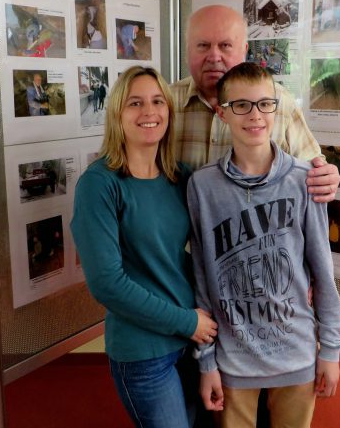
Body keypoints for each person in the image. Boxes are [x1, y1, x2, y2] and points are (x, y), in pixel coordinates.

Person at [187, 63, 340, 428]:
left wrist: (331, 349)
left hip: (296, 352)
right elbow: (202, 276)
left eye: (264, 104)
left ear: (277, 108)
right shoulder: (202, 187)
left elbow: (323, 270)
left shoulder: (304, 179)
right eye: (241, 105)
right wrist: (206, 360)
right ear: (222, 113)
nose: (255, 115)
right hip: (234, 358)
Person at [71, 66, 218, 428]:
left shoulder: (180, 176)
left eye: (157, 102)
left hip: (191, 341)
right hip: (144, 351)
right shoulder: (99, 185)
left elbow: (192, 254)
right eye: (135, 103)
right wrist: (187, 322)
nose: (149, 112)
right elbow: (107, 284)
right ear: (117, 114)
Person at [171, 4, 339, 202]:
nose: (214, 57)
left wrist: (326, 176)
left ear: (244, 50)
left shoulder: (280, 102)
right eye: (203, 45)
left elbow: (314, 166)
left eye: (225, 45)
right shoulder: (163, 103)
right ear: (187, 51)